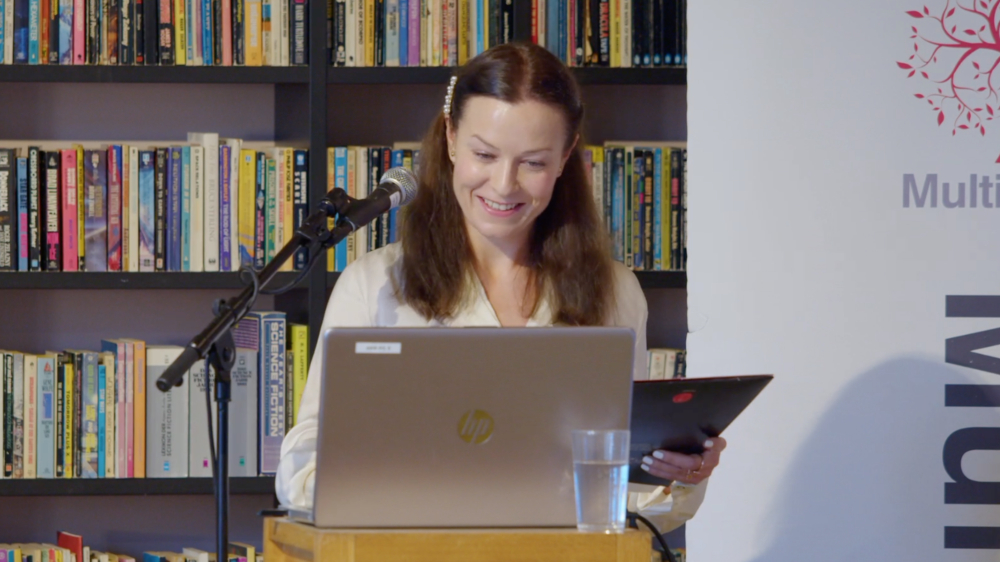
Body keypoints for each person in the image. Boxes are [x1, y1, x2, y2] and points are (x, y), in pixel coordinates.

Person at [275, 41, 725, 533]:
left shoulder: (614, 293)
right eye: (484, 154)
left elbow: (627, 499)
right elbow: (302, 469)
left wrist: (677, 474)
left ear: (565, 156)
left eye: (532, 162)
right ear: (450, 138)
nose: (504, 185)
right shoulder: (375, 285)